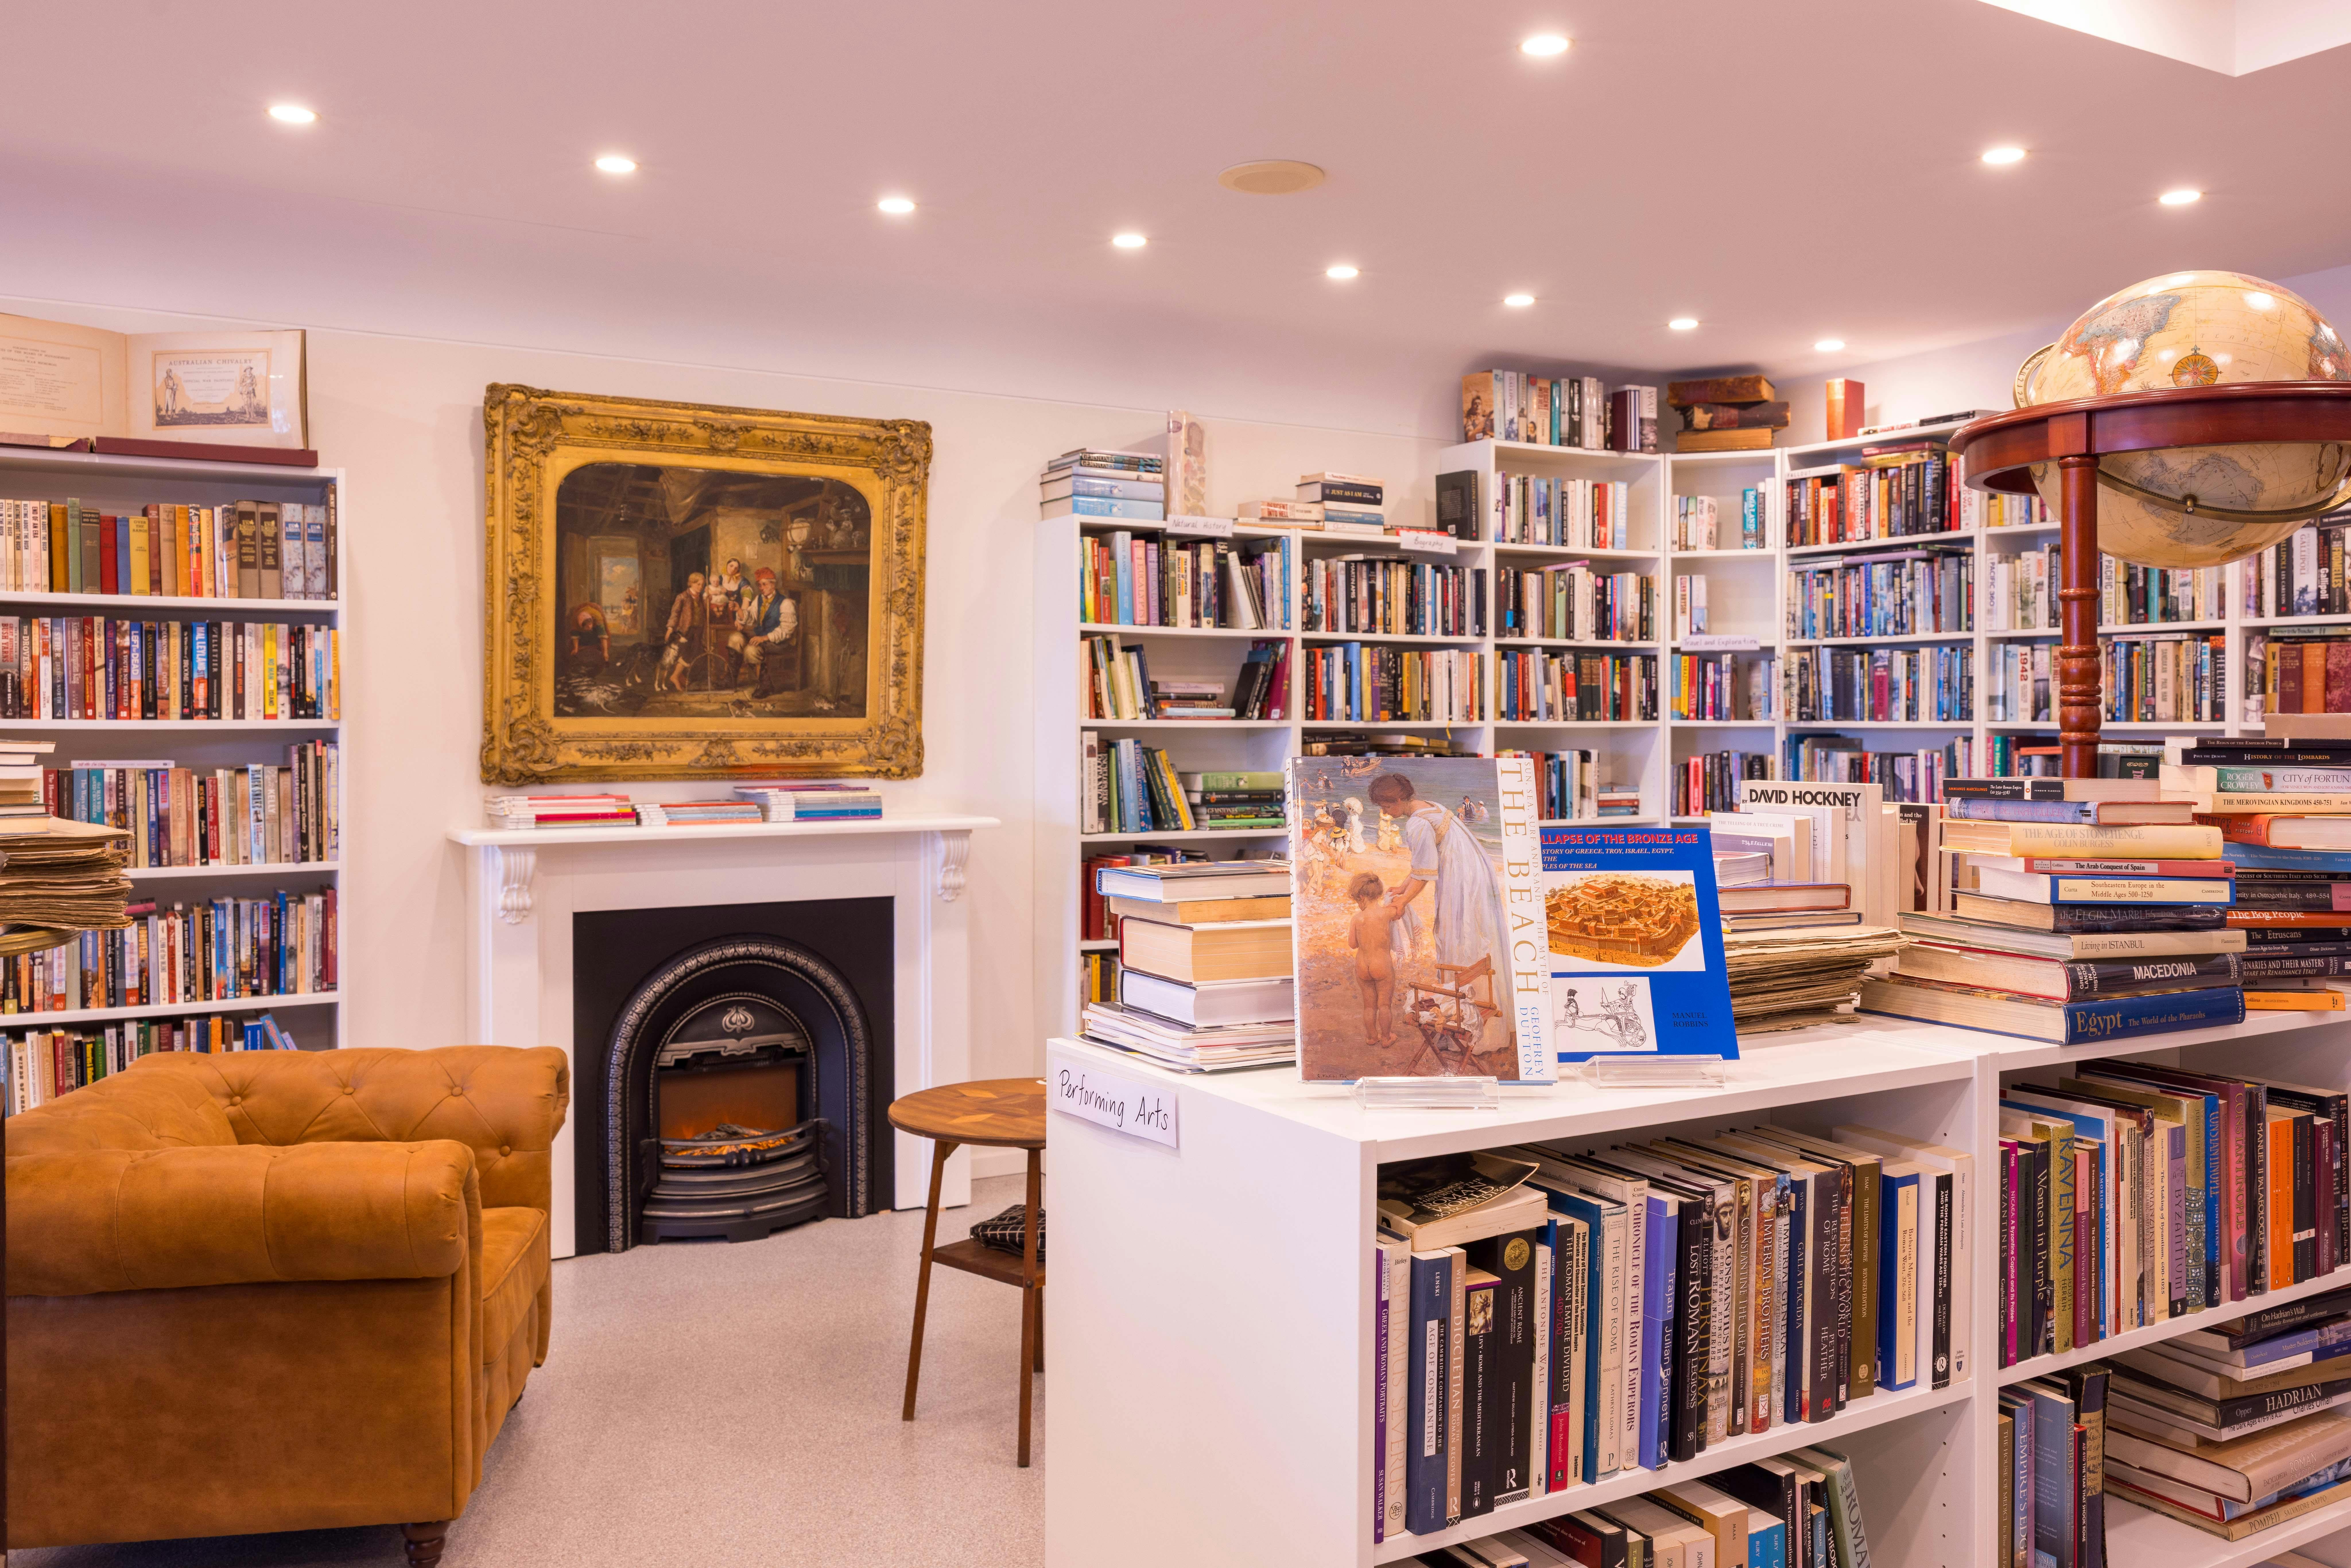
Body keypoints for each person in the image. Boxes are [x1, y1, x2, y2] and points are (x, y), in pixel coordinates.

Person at [1370, 771, 1506, 1005]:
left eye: (1385, 806)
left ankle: (1467, 1000)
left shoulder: (1417, 822)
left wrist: (1403, 902)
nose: (1384, 813)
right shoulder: (1430, 806)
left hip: (1461, 878)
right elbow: (1425, 861)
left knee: (1458, 932)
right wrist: (1404, 886)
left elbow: (1425, 872)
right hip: (1474, 870)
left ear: (1399, 801)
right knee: (1476, 930)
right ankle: (1477, 995)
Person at [1346, 872, 1406, 1047]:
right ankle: (1387, 1038)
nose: (1358, 905)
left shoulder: (1357, 918)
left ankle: (1372, 1037)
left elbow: (1352, 944)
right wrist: (1398, 902)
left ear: (1362, 897)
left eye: (1358, 901)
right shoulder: (1386, 914)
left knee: (1369, 1006)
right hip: (1382, 964)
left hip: (1363, 965)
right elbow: (1399, 911)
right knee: (1385, 1005)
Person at [738, 568, 798, 694]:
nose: (761, 588)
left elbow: (787, 631)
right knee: (736, 639)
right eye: (760, 585)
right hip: (763, 639)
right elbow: (750, 618)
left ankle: (765, 685)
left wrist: (765, 638)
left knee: (750, 650)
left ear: (773, 584)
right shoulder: (759, 600)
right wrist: (739, 610)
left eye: (764, 584)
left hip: (780, 642)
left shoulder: (786, 603)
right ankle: (762, 683)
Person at [662, 572, 711, 691]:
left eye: (703, 585)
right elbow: (675, 614)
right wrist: (670, 629)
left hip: (698, 630)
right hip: (686, 631)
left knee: (694, 654)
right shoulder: (682, 597)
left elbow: (704, 614)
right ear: (692, 584)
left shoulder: (701, 598)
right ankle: (675, 677)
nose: (701, 587)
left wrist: (708, 601)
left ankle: (680, 676)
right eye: (699, 585)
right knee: (685, 655)